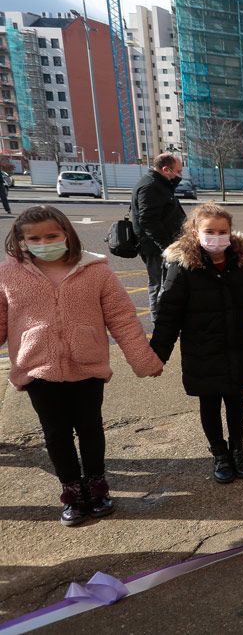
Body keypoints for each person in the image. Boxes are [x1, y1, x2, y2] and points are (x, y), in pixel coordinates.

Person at [1, 206, 163, 525]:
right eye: (34, 238)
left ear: (66, 234)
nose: (43, 242)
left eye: (51, 235)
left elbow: (122, 318)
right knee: (56, 434)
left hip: (86, 365)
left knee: (90, 429)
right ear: (21, 241)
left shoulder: (96, 270)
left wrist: (143, 360)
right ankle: (72, 492)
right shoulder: (9, 274)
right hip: (37, 370)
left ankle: (96, 485)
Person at [152, 204, 243, 483]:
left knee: (236, 401)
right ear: (195, 232)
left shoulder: (242, 262)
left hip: (237, 346)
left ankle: (238, 449)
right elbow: (168, 315)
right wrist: (157, 355)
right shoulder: (181, 266)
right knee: (209, 403)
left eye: (223, 232)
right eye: (209, 231)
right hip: (202, 350)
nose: (217, 237)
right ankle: (219, 453)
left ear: (231, 233)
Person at [131, 153, 187, 320]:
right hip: (156, 248)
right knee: (159, 284)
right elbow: (148, 221)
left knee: (167, 282)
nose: (180, 175)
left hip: (162, 246)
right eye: (178, 171)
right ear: (166, 169)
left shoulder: (159, 184)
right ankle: (159, 321)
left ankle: (166, 317)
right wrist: (167, 248)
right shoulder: (150, 186)